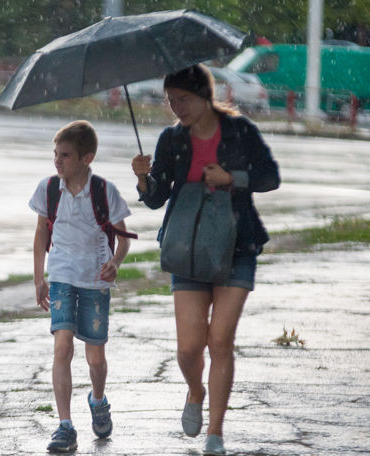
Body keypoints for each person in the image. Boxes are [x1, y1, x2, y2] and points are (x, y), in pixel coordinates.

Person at [131, 64, 280, 455]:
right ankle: (195, 391)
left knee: (220, 340)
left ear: (204, 95)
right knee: (187, 348)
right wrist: (145, 179)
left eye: (184, 99)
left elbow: (270, 176)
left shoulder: (240, 131)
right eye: (171, 100)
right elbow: (158, 197)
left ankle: (216, 432)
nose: (177, 107)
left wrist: (232, 178)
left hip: (236, 245)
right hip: (188, 249)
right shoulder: (171, 139)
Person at [30, 120, 133, 453]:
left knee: (96, 358)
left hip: (94, 282)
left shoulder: (104, 192)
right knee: (62, 348)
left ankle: (98, 399)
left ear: (87, 157)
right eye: (55, 154)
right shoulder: (49, 189)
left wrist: (115, 264)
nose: (58, 162)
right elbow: (40, 235)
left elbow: (123, 238)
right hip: (61, 278)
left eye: (66, 155)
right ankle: (65, 425)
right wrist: (39, 277)